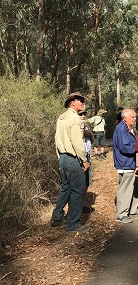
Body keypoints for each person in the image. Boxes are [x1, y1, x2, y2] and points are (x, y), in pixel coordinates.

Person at [51, 92, 90, 233]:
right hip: (72, 158)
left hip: (63, 157)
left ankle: (57, 218)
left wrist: (60, 156)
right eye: (80, 101)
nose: (83, 103)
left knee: (65, 188)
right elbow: (77, 142)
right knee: (78, 190)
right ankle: (73, 224)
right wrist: (84, 160)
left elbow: (57, 139)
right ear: (72, 102)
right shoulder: (74, 118)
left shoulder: (61, 117)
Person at [113, 109, 138, 224]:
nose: (134, 119)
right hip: (125, 163)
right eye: (132, 117)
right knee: (125, 188)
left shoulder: (127, 128)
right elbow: (124, 147)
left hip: (130, 163)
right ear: (125, 118)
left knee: (134, 185)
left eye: (135, 117)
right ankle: (121, 214)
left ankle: (132, 209)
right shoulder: (121, 129)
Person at [78, 109, 95, 213]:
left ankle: (82, 204)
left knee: (86, 183)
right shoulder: (75, 127)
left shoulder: (85, 127)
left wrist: (90, 134)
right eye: (81, 114)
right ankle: (76, 207)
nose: (83, 116)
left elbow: (91, 141)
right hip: (80, 159)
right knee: (79, 185)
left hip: (88, 158)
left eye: (84, 114)